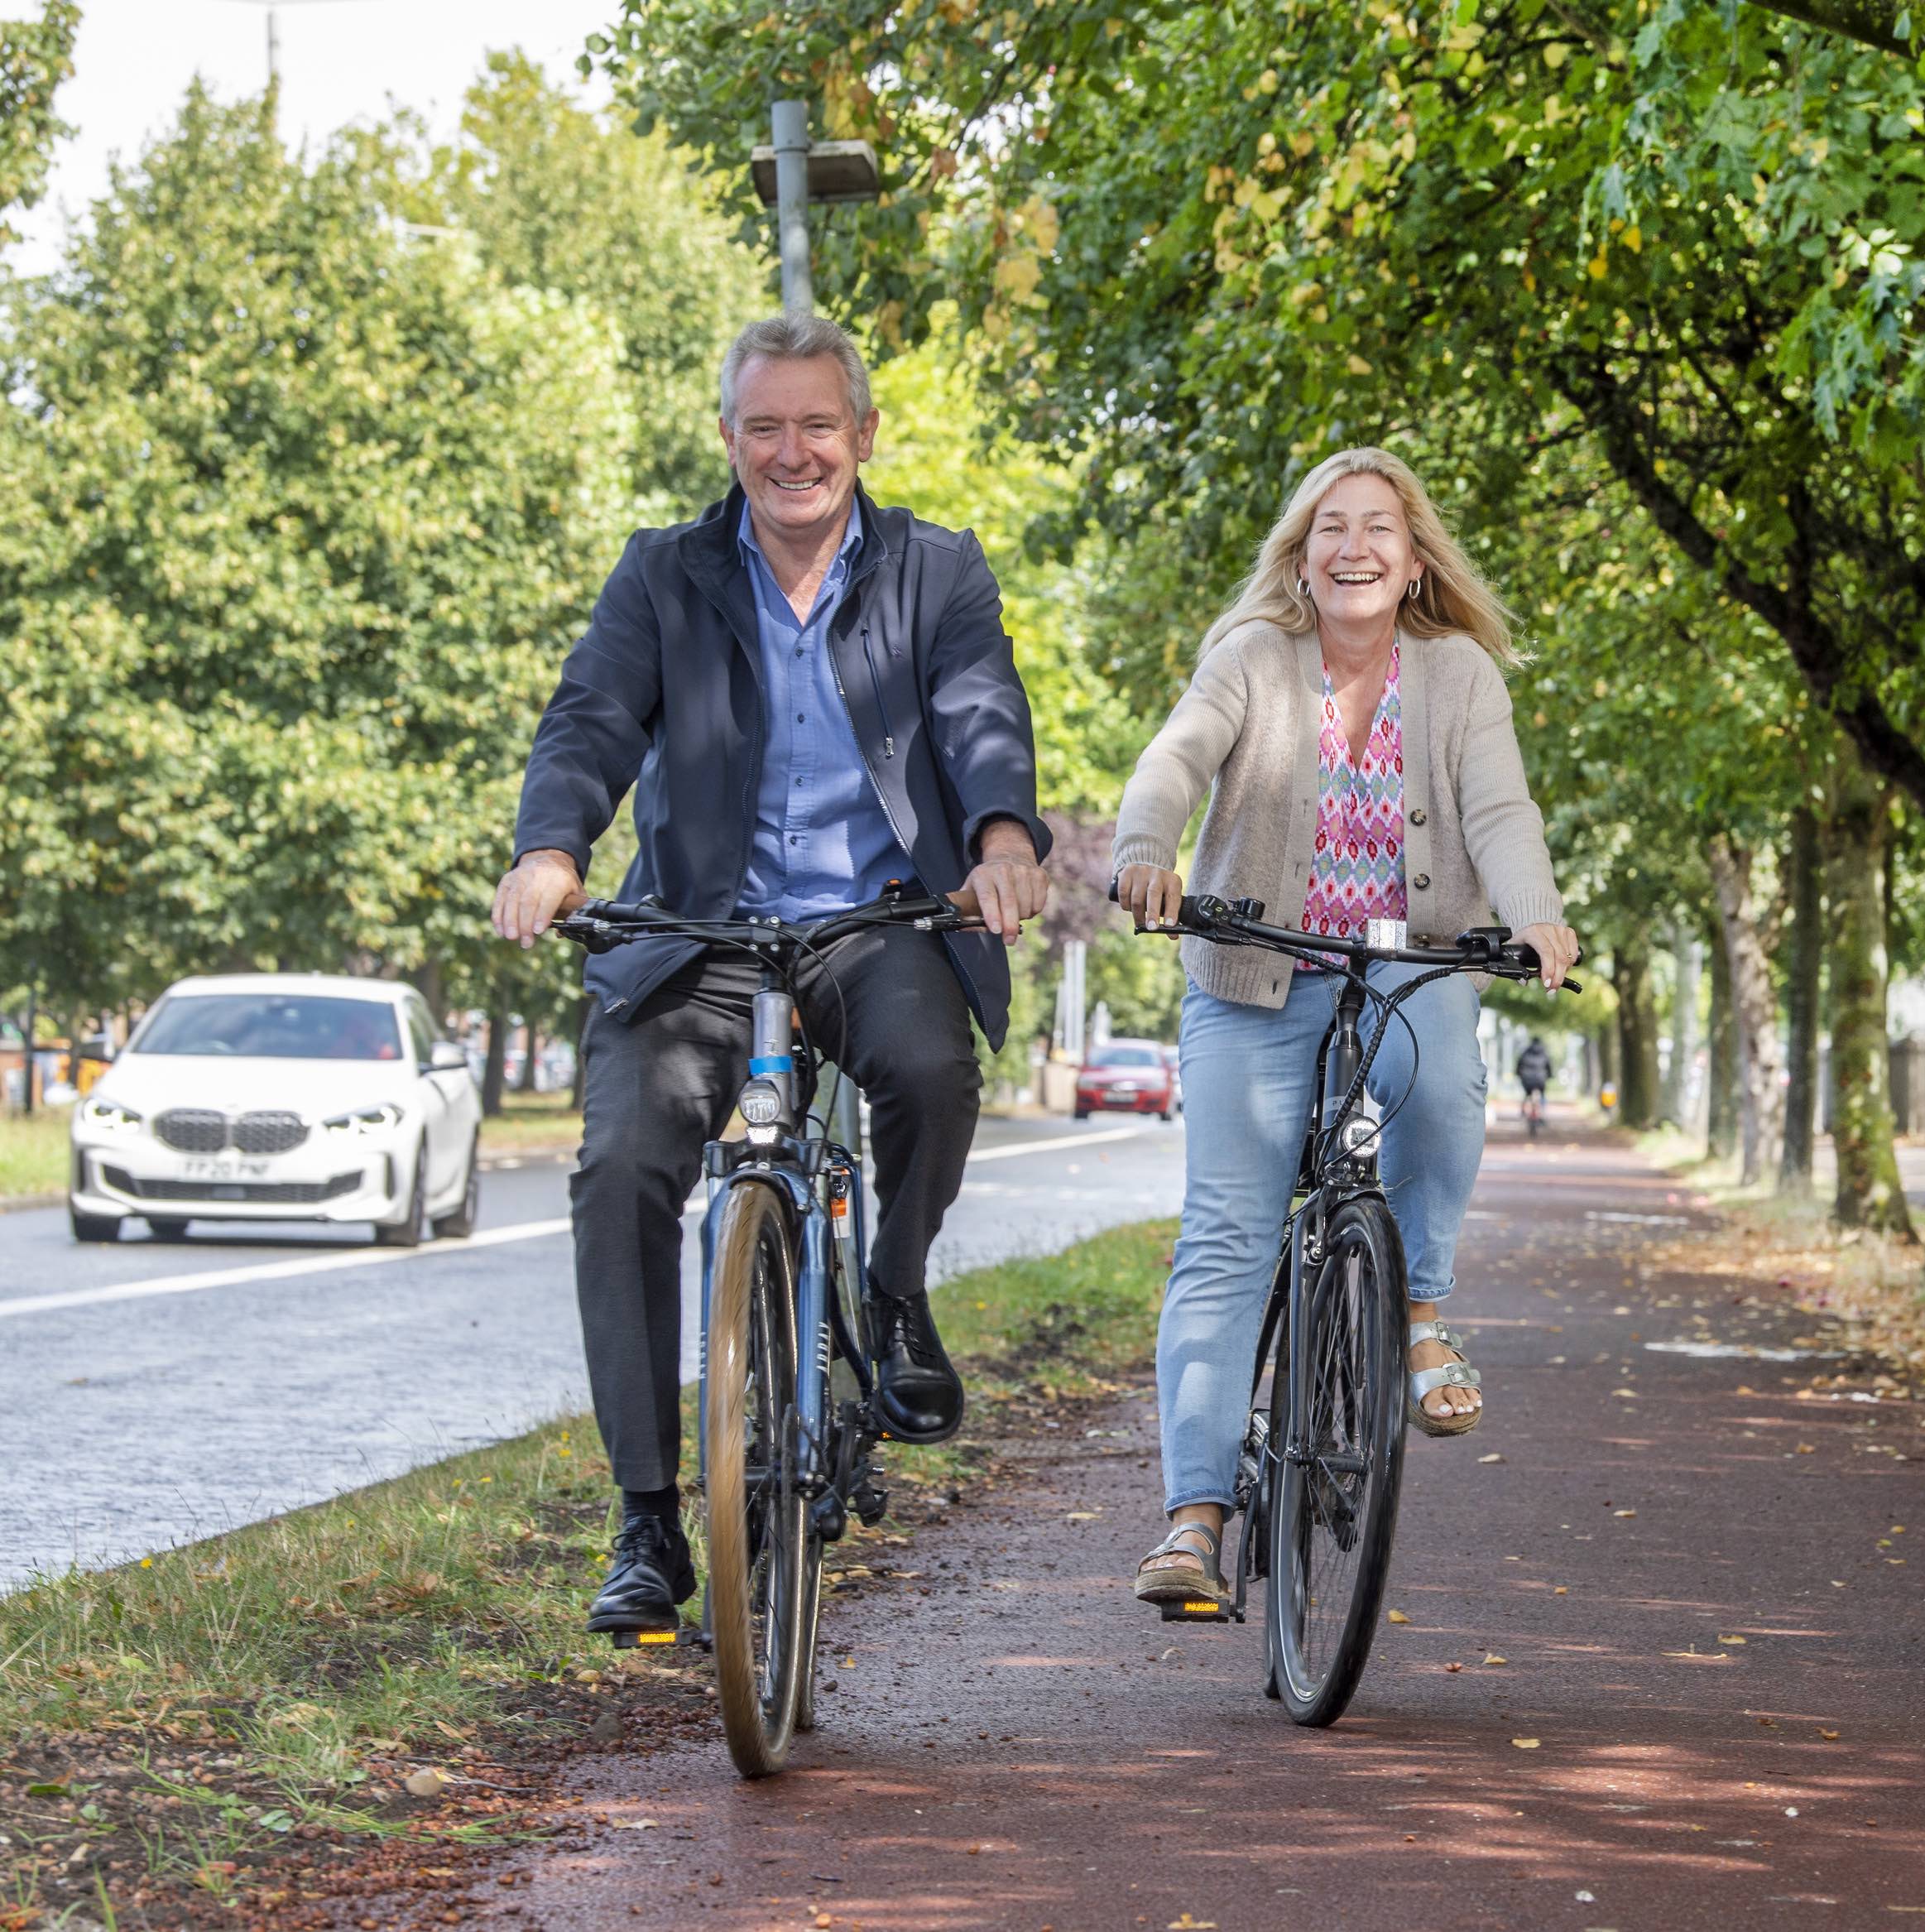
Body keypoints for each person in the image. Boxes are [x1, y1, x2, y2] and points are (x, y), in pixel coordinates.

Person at [492, 315, 1054, 1638]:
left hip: (876, 920)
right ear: (731, 439)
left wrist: (1005, 838)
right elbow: (590, 717)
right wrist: (551, 846)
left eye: (817, 424)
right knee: (621, 1161)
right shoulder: (665, 573)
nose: (791, 451)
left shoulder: (935, 569)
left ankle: (897, 1289)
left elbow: (979, 710)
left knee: (928, 1067)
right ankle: (645, 1520)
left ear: (863, 435)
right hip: (698, 932)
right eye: (764, 426)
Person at [1111, 447, 1577, 1611]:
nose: (1353, 545)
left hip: (1410, 973)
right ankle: (1195, 1519)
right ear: (1302, 557)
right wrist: (1145, 847)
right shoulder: (1253, 659)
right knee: (1226, 1232)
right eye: (1330, 527)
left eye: (1378, 527)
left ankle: (1421, 1318)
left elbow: (1500, 808)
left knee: (1446, 1091)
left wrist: (1535, 911)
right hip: (1253, 975)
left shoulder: (1460, 673)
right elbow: (1175, 758)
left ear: (1415, 561)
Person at [1515, 1036, 1553, 1128]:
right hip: (1540, 1080)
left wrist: (1518, 1073)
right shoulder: (1544, 1053)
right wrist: (1550, 1075)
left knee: (1527, 1095)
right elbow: (1549, 1067)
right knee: (1541, 1096)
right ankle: (1542, 1114)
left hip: (1527, 1079)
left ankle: (1523, 1111)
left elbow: (1519, 1064)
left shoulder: (1525, 1052)